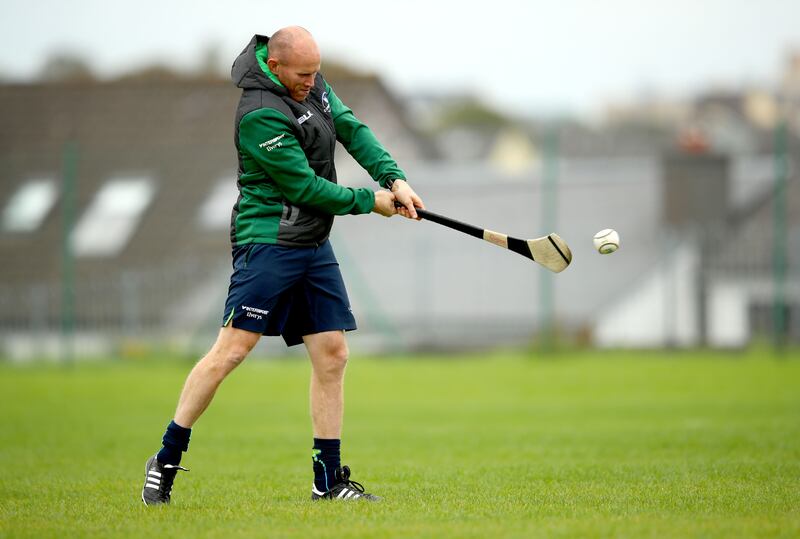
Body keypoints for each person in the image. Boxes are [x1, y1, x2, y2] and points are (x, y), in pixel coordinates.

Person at [141, 26, 424, 505]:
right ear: (275, 66)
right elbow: (305, 189)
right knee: (231, 351)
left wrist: (393, 177)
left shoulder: (311, 82)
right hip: (269, 242)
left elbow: (351, 128)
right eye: (303, 75)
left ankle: (328, 481)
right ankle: (165, 458)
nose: (312, 83)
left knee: (332, 353)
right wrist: (370, 201)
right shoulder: (258, 115)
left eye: (317, 73)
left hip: (313, 243)